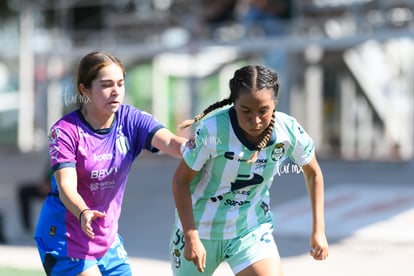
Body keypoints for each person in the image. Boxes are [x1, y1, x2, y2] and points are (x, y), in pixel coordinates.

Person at [34, 51, 188, 275]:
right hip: (65, 236)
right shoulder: (65, 131)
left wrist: (191, 147)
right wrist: (83, 211)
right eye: (106, 85)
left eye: (120, 83)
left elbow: (171, 142)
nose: (116, 91)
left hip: (106, 238)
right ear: (84, 89)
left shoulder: (131, 120)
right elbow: (66, 187)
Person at [170, 65, 328, 275]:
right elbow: (180, 181)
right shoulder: (212, 130)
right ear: (234, 104)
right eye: (246, 111)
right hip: (200, 229)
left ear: (275, 104)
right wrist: (191, 235)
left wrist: (319, 230)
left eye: (263, 110)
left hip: (250, 229)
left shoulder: (288, 131)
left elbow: (313, 173)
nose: (255, 120)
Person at [17, 161, 52, 233]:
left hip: (60, 189)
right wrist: (45, 183)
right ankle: (27, 227)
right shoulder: (55, 154)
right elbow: (49, 172)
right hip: (49, 185)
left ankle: (53, 231)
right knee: (24, 191)